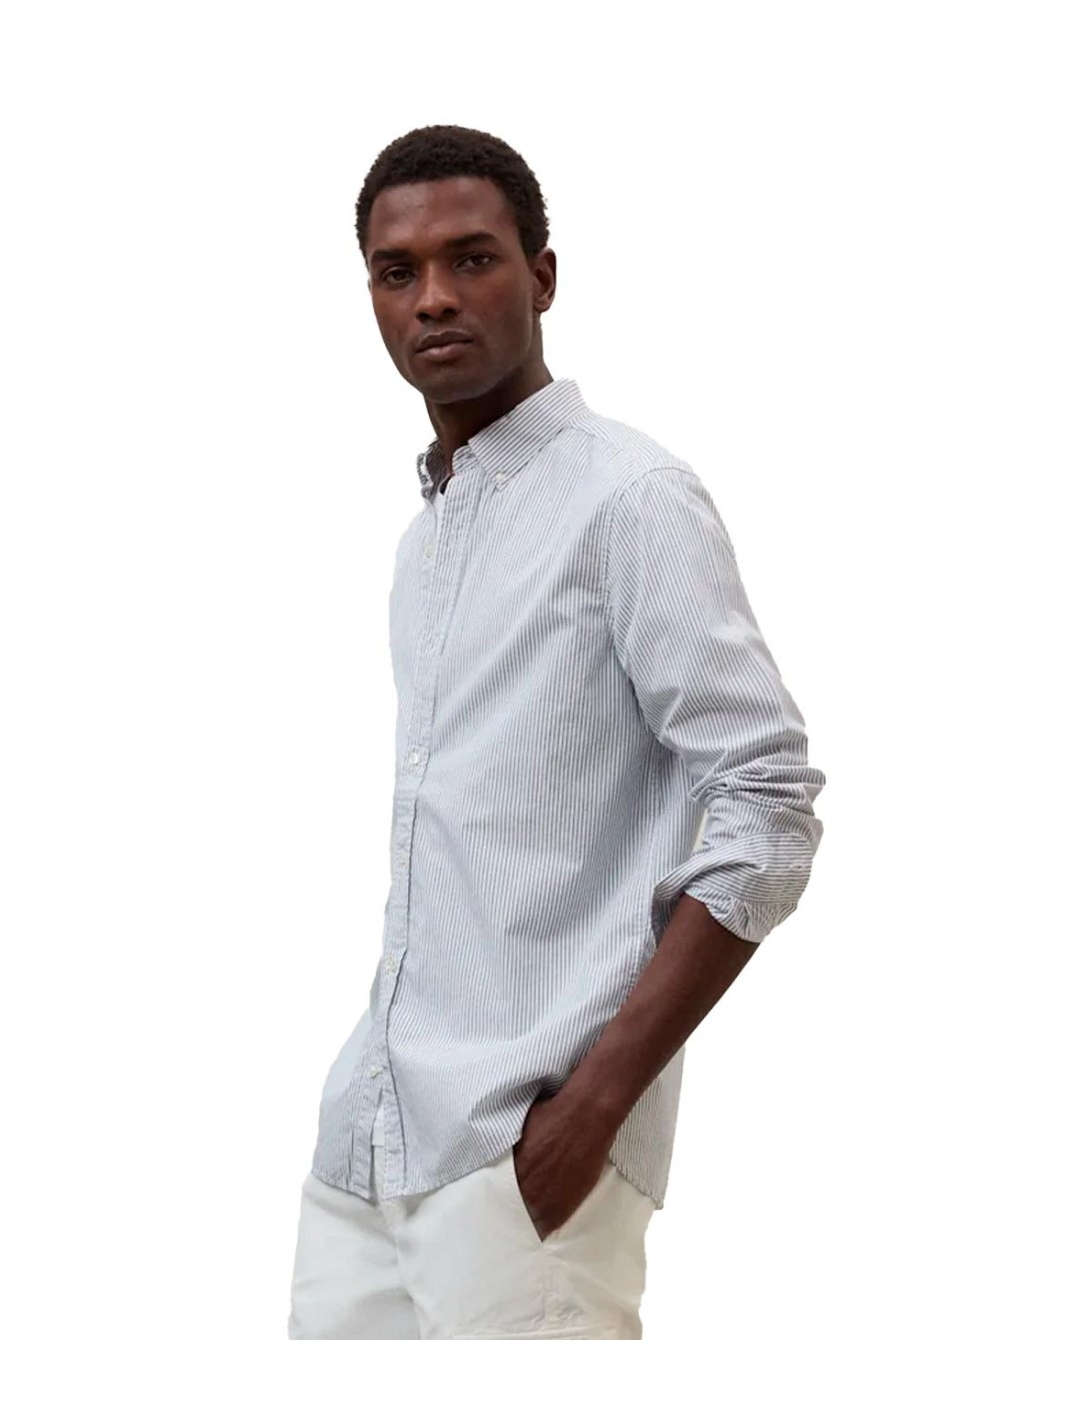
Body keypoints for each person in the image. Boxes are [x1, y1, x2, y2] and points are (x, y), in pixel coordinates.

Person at [287, 123, 826, 1341]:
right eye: (396, 271)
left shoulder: (628, 500)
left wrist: (592, 1109)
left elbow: (766, 807)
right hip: (369, 1148)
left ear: (540, 276)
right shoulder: (425, 541)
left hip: (523, 1160)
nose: (432, 297)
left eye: (471, 259)